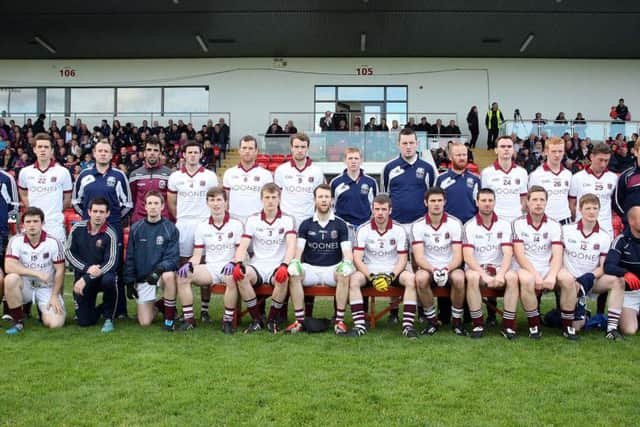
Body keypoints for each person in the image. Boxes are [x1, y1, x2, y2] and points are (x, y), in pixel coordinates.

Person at [72, 139, 132, 317]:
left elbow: (128, 204)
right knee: (83, 264)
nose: (103, 153)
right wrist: (89, 219)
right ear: (94, 153)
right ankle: (81, 306)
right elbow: (76, 202)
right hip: (87, 230)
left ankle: (119, 309)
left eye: (106, 151)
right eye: (100, 151)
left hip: (113, 228)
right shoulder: (84, 176)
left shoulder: (119, 176)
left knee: (115, 267)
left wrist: (110, 219)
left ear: (111, 154)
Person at [348, 194, 418, 339]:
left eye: (384, 209)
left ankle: (407, 326)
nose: (380, 213)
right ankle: (360, 325)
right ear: (372, 210)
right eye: (377, 209)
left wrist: (390, 276)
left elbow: (403, 259)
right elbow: (357, 259)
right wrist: (372, 278)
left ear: (390, 210)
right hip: (369, 270)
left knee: (411, 279)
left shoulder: (399, 230)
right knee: (353, 280)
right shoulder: (363, 229)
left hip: (393, 270)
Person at [287, 184, 354, 334]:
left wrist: (347, 262)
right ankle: (299, 320)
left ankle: (339, 322)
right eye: (320, 197)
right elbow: (299, 251)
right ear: (315, 200)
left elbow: (347, 251)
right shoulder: (306, 224)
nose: (324, 200)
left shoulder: (340, 224)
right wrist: (295, 261)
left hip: (332, 269)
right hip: (311, 268)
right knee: (293, 274)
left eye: (327, 197)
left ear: (332, 200)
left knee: (344, 274)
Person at [231, 183, 297, 334]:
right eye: (267, 197)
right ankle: (256, 320)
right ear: (261, 199)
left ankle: (272, 320)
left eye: (274, 197)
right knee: (241, 276)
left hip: (277, 265)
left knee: (284, 278)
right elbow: (243, 245)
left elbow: (291, 246)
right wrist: (238, 263)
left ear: (279, 199)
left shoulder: (288, 219)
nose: (270, 201)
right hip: (258, 265)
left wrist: (285, 265)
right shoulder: (253, 219)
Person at [175, 187, 241, 333]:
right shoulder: (202, 226)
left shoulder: (236, 225)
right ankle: (189, 319)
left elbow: (240, 253)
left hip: (228, 267)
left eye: (219, 200)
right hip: (210, 268)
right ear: (207, 203)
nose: (216, 204)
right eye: (212, 200)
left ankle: (227, 321)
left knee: (231, 278)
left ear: (225, 203)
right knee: (183, 276)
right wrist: (190, 264)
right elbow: (198, 255)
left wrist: (234, 262)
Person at [559, 194, 623, 339]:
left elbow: (603, 266)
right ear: (580, 210)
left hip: (591, 280)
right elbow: (558, 258)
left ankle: (611, 329)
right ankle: (577, 314)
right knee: (577, 327)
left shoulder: (604, 236)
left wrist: (589, 277)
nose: (592, 212)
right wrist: (571, 278)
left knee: (618, 281)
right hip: (569, 280)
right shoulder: (566, 230)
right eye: (588, 208)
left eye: (595, 208)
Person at [167, 142, 219, 322]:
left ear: (201, 154)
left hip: (204, 225)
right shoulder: (175, 177)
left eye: (196, 152)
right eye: (189, 152)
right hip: (183, 225)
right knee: (182, 266)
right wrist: (182, 218)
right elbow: (171, 203)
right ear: (183, 155)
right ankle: (185, 310)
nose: (192, 155)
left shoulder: (210, 176)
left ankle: (204, 310)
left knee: (205, 265)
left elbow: (215, 200)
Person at [274, 132, 324, 316]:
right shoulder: (281, 171)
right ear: (291, 148)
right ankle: (281, 310)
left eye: (303, 147)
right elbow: (276, 197)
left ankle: (307, 310)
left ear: (308, 148)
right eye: (296, 146)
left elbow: (320, 200)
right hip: (287, 227)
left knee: (306, 269)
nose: (300, 150)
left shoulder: (316, 172)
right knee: (286, 267)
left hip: (309, 227)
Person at [513, 186, 570, 339]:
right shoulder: (517, 223)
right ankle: (534, 326)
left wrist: (552, 275)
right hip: (525, 267)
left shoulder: (554, 224)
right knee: (527, 280)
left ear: (546, 202)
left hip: (548, 267)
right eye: (535, 200)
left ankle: (568, 326)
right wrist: (536, 276)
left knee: (568, 279)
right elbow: (520, 255)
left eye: (542, 200)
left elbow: (558, 254)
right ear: (528, 202)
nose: (538, 203)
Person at [463, 188, 520, 339]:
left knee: (513, 278)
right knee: (473, 277)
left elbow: (508, 253)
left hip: (499, 268)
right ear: (477, 202)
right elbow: (468, 257)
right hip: (478, 269)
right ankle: (478, 324)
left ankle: (508, 326)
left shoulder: (505, 224)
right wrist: (485, 276)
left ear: (494, 202)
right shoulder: (469, 225)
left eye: (490, 200)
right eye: (483, 200)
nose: (487, 204)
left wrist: (501, 274)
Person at [411, 188, 466, 336]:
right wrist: (433, 269)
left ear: (445, 202)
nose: (436, 204)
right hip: (428, 268)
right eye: (433, 201)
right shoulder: (418, 225)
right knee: (420, 278)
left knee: (460, 278)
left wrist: (446, 269)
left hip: (450, 267)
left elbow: (458, 256)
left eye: (439, 200)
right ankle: (432, 321)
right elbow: (419, 257)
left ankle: (456, 321)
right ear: (425, 203)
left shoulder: (455, 223)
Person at [4, 207, 65, 334]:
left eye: (35, 221)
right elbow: (8, 266)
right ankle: (18, 321)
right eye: (28, 221)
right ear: (23, 224)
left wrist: (54, 296)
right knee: (10, 279)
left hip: (46, 287)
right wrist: (36, 273)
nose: (32, 225)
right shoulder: (15, 240)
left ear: (42, 223)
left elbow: (60, 271)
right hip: (25, 285)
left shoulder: (54, 242)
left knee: (55, 324)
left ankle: (42, 311)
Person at [123, 191, 179, 329]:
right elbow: (130, 256)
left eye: (156, 203)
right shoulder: (136, 228)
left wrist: (158, 270)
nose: (153, 206)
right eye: (150, 203)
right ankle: (159, 305)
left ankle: (169, 320)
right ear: (145, 207)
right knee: (145, 322)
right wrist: (130, 282)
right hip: (144, 278)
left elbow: (173, 258)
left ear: (162, 206)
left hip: (160, 275)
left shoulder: (170, 228)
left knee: (169, 276)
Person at [65, 197, 118, 332]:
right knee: (84, 322)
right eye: (95, 211)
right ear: (89, 212)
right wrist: (87, 269)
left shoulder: (110, 233)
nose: (98, 215)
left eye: (101, 212)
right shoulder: (77, 228)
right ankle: (101, 307)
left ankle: (108, 317)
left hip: (102, 276)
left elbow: (110, 262)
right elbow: (69, 253)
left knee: (109, 280)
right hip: (83, 276)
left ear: (107, 214)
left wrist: (87, 277)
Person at [18, 133, 73, 242]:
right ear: (34, 149)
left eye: (46, 147)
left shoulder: (63, 172)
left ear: (52, 150)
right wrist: (33, 211)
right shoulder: (25, 172)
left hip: (55, 226)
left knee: (57, 259)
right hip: (33, 225)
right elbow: (23, 194)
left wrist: (55, 211)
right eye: (39, 147)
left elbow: (67, 199)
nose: (43, 150)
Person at [382, 128, 436, 228]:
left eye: (411, 143)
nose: (408, 147)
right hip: (395, 224)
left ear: (417, 143)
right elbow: (385, 196)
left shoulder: (428, 168)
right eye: (404, 143)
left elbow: (433, 198)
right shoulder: (389, 168)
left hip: (421, 225)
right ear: (398, 144)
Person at [604, 206, 640, 335]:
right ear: (631, 221)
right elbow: (608, 266)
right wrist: (625, 273)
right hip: (630, 294)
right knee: (629, 330)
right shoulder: (621, 240)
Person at [222, 135, 273, 224]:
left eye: (250, 148)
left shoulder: (266, 175)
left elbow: (270, 201)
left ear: (256, 151)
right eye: (244, 148)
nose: (247, 151)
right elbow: (226, 200)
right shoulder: (229, 173)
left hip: (258, 221)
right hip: (234, 220)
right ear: (239, 150)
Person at [568, 143, 617, 235]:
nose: (603, 164)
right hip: (582, 227)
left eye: (606, 161)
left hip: (605, 228)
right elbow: (572, 204)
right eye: (600, 160)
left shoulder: (613, 178)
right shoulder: (577, 177)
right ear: (591, 157)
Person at [480, 136, 528, 223]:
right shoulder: (486, 173)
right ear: (496, 150)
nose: (506, 149)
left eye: (509, 146)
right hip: (495, 220)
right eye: (502, 146)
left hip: (517, 220)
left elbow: (523, 197)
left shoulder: (522, 172)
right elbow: (484, 199)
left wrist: (522, 215)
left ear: (513, 150)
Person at [329, 147, 378, 230]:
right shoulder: (335, 182)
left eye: (356, 158)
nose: (353, 161)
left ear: (361, 160)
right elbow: (330, 208)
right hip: (343, 227)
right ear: (345, 160)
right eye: (350, 158)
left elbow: (375, 206)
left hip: (365, 227)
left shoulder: (371, 182)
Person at [528, 137, 573, 224]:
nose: (557, 155)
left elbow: (571, 201)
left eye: (560, 151)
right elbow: (530, 202)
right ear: (546, 152)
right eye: (553, 151)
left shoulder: (568, 174)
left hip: (564, 220)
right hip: (544, 220)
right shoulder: (536, 175)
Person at [129, 140, 173, 223]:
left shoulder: (170, 174)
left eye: (155, 150)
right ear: (144, 153)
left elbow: (172, 200)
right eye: (149, 150)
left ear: (160, 154)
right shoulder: (134, 175)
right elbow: (132, 200)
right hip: (139, 220)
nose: (152, 153)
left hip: (163, 221)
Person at [436, 143, 479, 223]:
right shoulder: (441, 179)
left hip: (470, 224)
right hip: (448, 225)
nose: (462, 158)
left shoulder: (475, 179)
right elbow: (436, 203)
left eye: (464, 155)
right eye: (458, 155)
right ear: (450, 157)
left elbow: (479, 204)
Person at [613, 143, 640, 227]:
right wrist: (628, 219)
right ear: (636, 152)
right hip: (631, 230)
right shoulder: (626, 176)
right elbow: (616, 202)